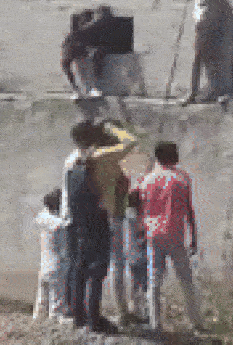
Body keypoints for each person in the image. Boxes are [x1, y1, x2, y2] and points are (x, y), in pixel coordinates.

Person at [132, 142, 201, 333]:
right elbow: (189, 210)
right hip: (175, 234)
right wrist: (194, 236)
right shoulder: (182, 178)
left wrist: (140, 228)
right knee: (186, 279)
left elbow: (136, 205)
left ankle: (155, 324)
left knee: (154, 280)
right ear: (170, 155)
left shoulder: (146, 180)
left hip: (153, 235)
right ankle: (196, 322)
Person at [87, 123, 139, 326]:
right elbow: (131, 141)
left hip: (100, 214)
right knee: (117, 264)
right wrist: (111, 126)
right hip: (112, 216)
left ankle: (105, 309)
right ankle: (121, 310)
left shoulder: (93, 157)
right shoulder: (106, 156)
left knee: (102, 265)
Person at [65, 143, 114, 332]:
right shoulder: (97, 180)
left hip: (78, 228)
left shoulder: (72, 175)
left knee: (79, 273)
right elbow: (104, 204)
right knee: (96, 275)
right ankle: (94, 318)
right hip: (97, 229)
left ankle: (78, 316)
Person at [184, 0, 230, 104]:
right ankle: (198, 91)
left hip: (207, 23)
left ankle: (204, 91)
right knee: (201, 58)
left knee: (204, 58)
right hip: (201, 23)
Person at [61, 8, 111, 99]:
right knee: (83, 70)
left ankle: (86, 90)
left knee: (84, 70)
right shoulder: (77, 35)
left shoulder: (77, 35)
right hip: (74, 52)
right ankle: (84, 90)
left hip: (75, 52)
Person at [33, 189, 66, 321]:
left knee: (42, 300)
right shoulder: (59, 223)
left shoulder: (42, 217)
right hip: (57, 267)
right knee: (56, 302)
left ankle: (38, 318)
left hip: (44, 266)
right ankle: (54, 319)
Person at [124, 191, 149, 323]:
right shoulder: (141, 218)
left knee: (134, 284)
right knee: (145, 286)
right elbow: (143, 238)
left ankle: (134, 310)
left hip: (130, 256)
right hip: (142, 256)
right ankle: (146, 313)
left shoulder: (126, 217)